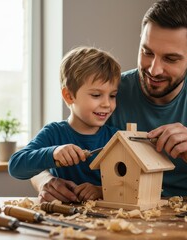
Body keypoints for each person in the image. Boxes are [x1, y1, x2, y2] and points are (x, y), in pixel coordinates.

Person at [31, 0, 187, 202]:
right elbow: (56, 143)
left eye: (170, 58)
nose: (154, 69)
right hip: (121, 214)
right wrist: (46, 181)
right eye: (147, 52)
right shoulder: (112, 91)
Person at [8, 46, 121, 202]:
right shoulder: (54, 133)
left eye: (113, 95)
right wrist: (53, 153)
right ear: (69, 96)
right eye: (96, 95)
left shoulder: (116, 137)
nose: (107, 104)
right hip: (63, 218)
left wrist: (100, 190)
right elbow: (15, 166)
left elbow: (130, 184)